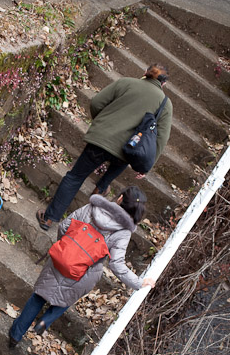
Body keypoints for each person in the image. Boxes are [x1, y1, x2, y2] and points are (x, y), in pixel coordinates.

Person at [10, 186, 155, 346]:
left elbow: (64, 226)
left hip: (61, 258)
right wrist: (139, 282)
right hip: (85, 272)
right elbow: (116, 265)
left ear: (120, 198)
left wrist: (66, 247)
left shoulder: (94, 207)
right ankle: (46, 320)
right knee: (64, 300)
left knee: (38, 296)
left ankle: (15, 335)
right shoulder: (123, 232)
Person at [36, 63, 173, 231]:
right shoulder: (165, 105)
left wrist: (102, 125)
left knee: (75, 177)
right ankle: (97, 196)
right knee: (111, 173)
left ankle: (49, 219)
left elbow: (96, 102)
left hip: (101, 141)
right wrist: (146, 166)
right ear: (163, 84)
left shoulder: (126, 82)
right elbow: (161, 139)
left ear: (145, 73)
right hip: (127, 151)